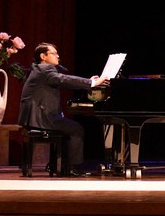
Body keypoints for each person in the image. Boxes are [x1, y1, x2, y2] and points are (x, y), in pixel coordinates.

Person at [18, 42, 104, 177]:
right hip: (41, 117)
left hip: (36, 116)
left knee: (68, 127)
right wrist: (91, 83)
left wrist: (88, 80)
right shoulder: (45, 69)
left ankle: (58, 165)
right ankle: (70, 168)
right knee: (76, 129)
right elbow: (63, 79)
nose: (58, 56)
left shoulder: (39, 69)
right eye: (54, 53)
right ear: (43, 56)